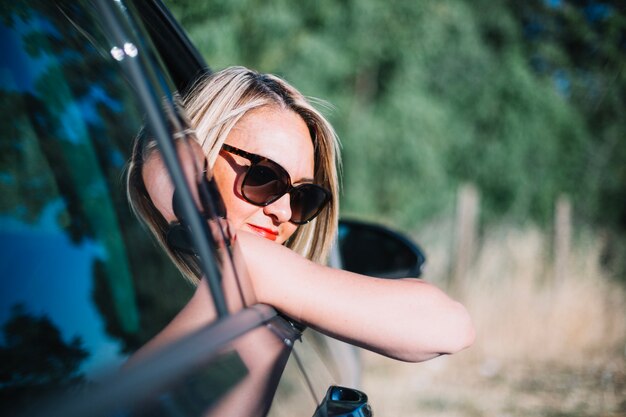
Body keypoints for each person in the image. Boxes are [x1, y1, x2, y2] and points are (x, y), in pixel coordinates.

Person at [127, 66, 474, 365]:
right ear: (199, 163)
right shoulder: (129, 269)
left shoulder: (248, 268)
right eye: (263, 177)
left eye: (303, 197)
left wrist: (261, 267)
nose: (282, 212)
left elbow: (450, 327)